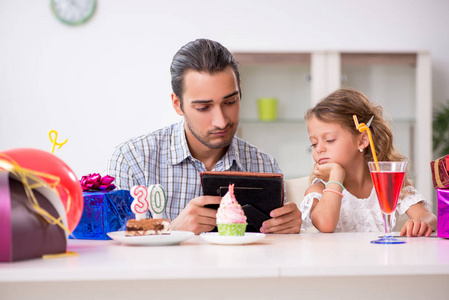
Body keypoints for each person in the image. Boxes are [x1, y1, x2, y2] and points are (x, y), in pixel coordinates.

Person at [107, 38, 302, 235]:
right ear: (177, 104)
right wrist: (171, 228)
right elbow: (116, 233)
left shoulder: (264, 166)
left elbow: (274, 255)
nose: (221, 121)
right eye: (203, 107)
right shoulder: (132, 159)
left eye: (230, 101)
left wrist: (289, 230)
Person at [300, 88, 437, 236]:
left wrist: (420, 222)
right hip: (337, 259)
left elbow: (429, 218)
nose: (319, 149)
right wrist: (335, 176)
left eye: (329, 140)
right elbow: (325, 224)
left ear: (362, 140)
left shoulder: (388, 183)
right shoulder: (319, 190)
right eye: (313, 144)